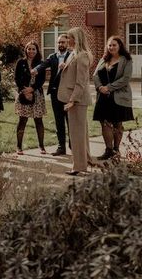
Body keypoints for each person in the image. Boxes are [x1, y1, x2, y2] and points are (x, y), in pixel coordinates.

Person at [58, 27, 93, 176]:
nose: (67, 40)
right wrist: (65, 67)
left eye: (70, 37)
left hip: (77, 100)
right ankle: (86, 160)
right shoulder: (74, 54)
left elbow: (81, 82)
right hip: (75, 98)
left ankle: (78, 166)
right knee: (80, 133)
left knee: (77, 134)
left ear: (76, 39)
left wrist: (72, 100)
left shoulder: (82, 55)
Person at [93, 36, 134, 160]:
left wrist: (109, 88)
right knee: (104, 123)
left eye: (114, 45)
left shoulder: (126, 60)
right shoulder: (104, 59)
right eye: (109, 45)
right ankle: (108, 150)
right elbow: (95, 75)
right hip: (103, 97)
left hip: (119, 96)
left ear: (120, 46)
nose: (111, 47)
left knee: (117, 123)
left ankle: (116, 150)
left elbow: (125, 79)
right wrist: (100, 87)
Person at [32, 34, 70, 156]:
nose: (61, 45)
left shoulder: (72, 56)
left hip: (69, 93)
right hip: (55, 93)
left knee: (70, 121)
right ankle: (61, 147)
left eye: (63, 42)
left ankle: (73, 145)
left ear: (68, 43)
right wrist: (36, 69)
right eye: (59, 42)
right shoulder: (52, 57)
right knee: (59, 121)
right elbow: (43, 65)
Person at [14, 41, 47, 155]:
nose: (31, 51)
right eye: (29, 49)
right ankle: (19, 146)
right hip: (23, 93)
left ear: (37, 51)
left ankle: (41, 146)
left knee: (38, 120)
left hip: (36, 94)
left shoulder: (41, 63)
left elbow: (42, 79)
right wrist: (24, 91)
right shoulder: (20, 62)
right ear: (26, 50)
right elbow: (17, 78)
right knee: (22, 120)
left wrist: (32, 89)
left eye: (33, 49)